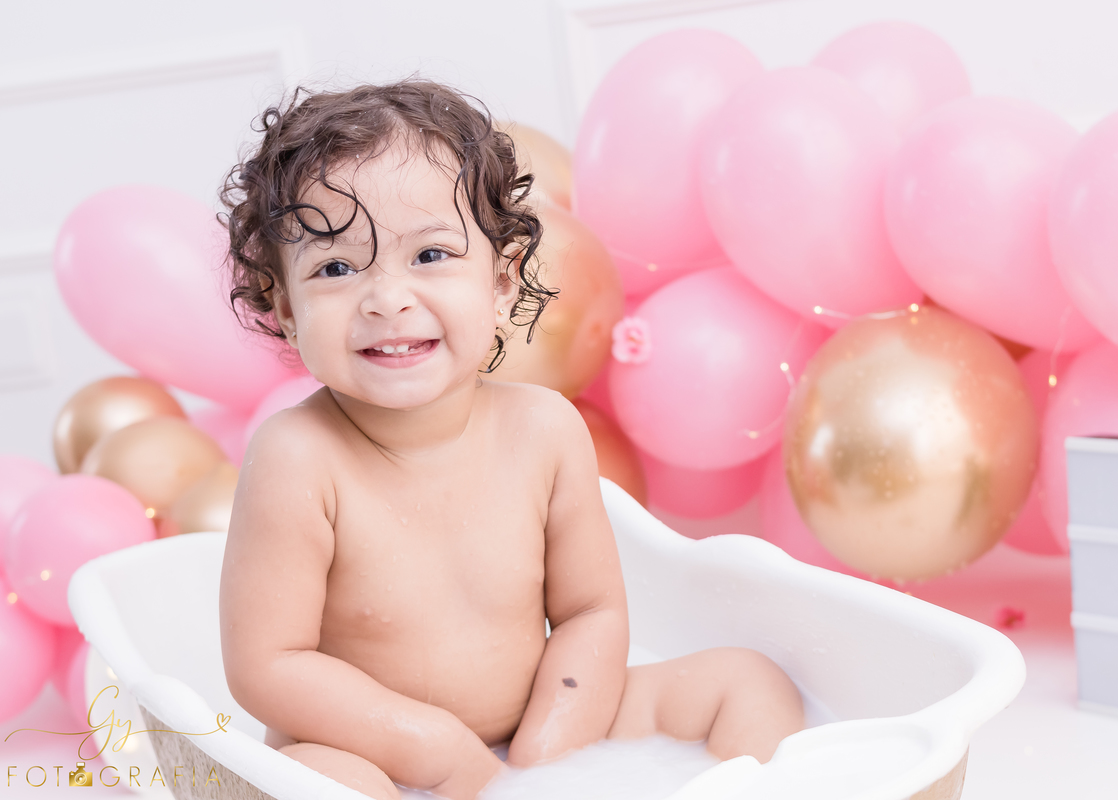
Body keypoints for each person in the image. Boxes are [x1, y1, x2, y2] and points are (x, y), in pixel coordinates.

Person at [217, 80, 805, 800]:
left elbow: (592, 612)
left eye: (429, 255)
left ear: (499, 284)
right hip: (374, 758)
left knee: (748, 683)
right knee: (306, 783)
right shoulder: (297, 457)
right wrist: (434, 754)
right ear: (285, 309)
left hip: (546, 730)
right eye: (336, 268)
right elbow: (268, 664)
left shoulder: (545, 427)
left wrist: (546, 764)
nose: (387, 298)